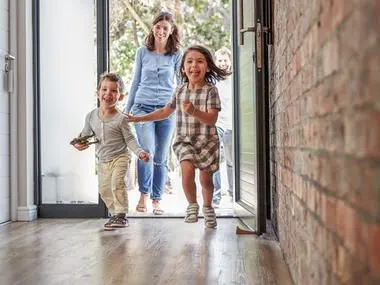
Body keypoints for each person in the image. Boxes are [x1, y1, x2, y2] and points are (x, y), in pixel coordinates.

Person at [126, 45, 230, 228]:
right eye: (189, 61)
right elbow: (165, 111)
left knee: (206, 180)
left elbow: (212, 118)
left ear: (207, 66)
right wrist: (139, 118)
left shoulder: (211, 91)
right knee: (187, 171)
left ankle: (207, 207)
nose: (194, 66)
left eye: (199, 61)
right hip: (185, 141)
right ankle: (192, 205)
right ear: (182, 67)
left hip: (207, 141)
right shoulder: (180, 91)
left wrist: (194, 111)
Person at [71, 72, 149, 229]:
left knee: (116, 184)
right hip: (103, 160)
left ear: (120, 97)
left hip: (120, 157)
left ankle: (121, 215)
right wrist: (79, 143)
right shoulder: (91, 116)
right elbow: (85, 135)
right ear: (97, 93)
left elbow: (130, 140)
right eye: (105, 89)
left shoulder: (121, 119)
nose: (108, 93)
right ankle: (115, 214)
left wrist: (139, 152)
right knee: (104, 189)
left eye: (114, 90)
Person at [124, 11, 182, 215]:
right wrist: (127, 110)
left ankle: (157, 199)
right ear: (153, 28)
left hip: (167, 110)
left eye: (165, 28)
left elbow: (181, 83)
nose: (161, 31)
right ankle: (143, 194)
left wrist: (181, 106)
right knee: (146, 151)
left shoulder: (176, 54)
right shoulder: (142, 52)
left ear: (171, 31)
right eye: (158, 27)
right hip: (142, 106)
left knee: (161, 156)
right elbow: (135, 81)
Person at [212, 47, 234, 207]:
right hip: (216, 123)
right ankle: (216, 197)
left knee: (231, 161)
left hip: (231, 124)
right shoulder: (212, 81)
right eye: (220, 60)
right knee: (214, 160)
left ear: (230, 61)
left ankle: (234, 195)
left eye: (225, 60)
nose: (223, 63)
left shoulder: (235, 79)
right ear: (215, 62)